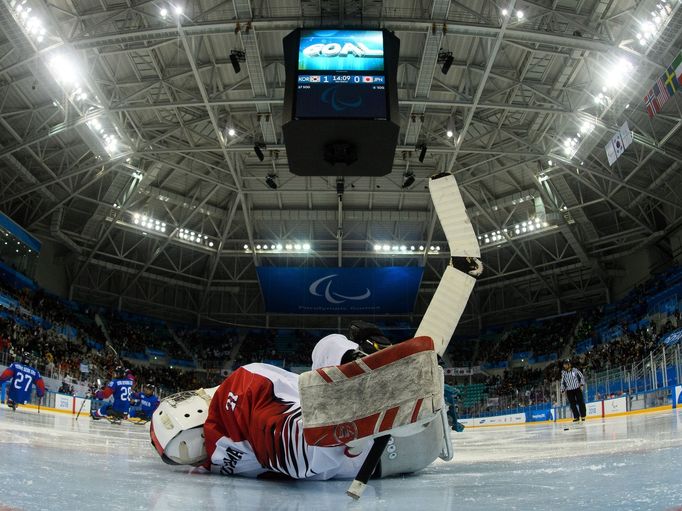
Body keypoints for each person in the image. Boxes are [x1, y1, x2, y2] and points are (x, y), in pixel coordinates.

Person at [150, 328, 449, 481]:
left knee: (290, 439)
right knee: (328, 346)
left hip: (391, 460)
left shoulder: (216, 457)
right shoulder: (240, 387)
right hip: (399, 444)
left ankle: (357, 402)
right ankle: (365, 376)